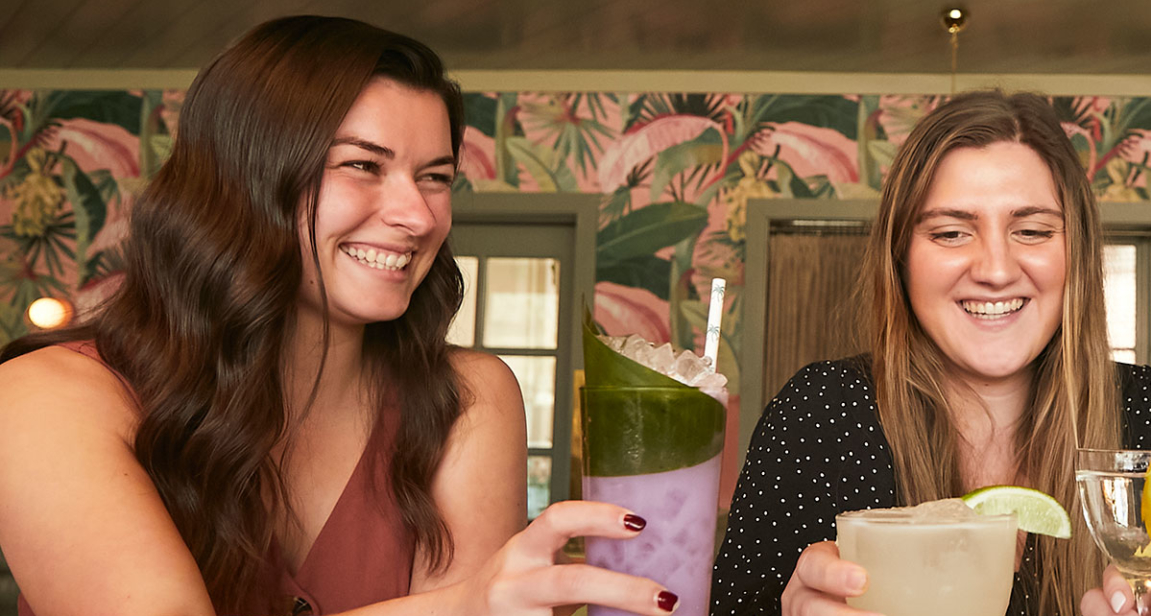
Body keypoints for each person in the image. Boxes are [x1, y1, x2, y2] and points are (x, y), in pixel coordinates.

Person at [0, 16, 677, 616]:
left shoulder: (469, 400)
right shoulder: (35, 399)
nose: (418, 216)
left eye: (436, 177)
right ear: (239, 179)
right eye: (361, 165)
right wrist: (457, 607)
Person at [710, 90, 1151, 616]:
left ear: (1076, 252)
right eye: (952, 233)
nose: (996, 270)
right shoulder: (819, 411)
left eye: (1032, 231)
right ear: (901, 258)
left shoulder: (1141, 408)